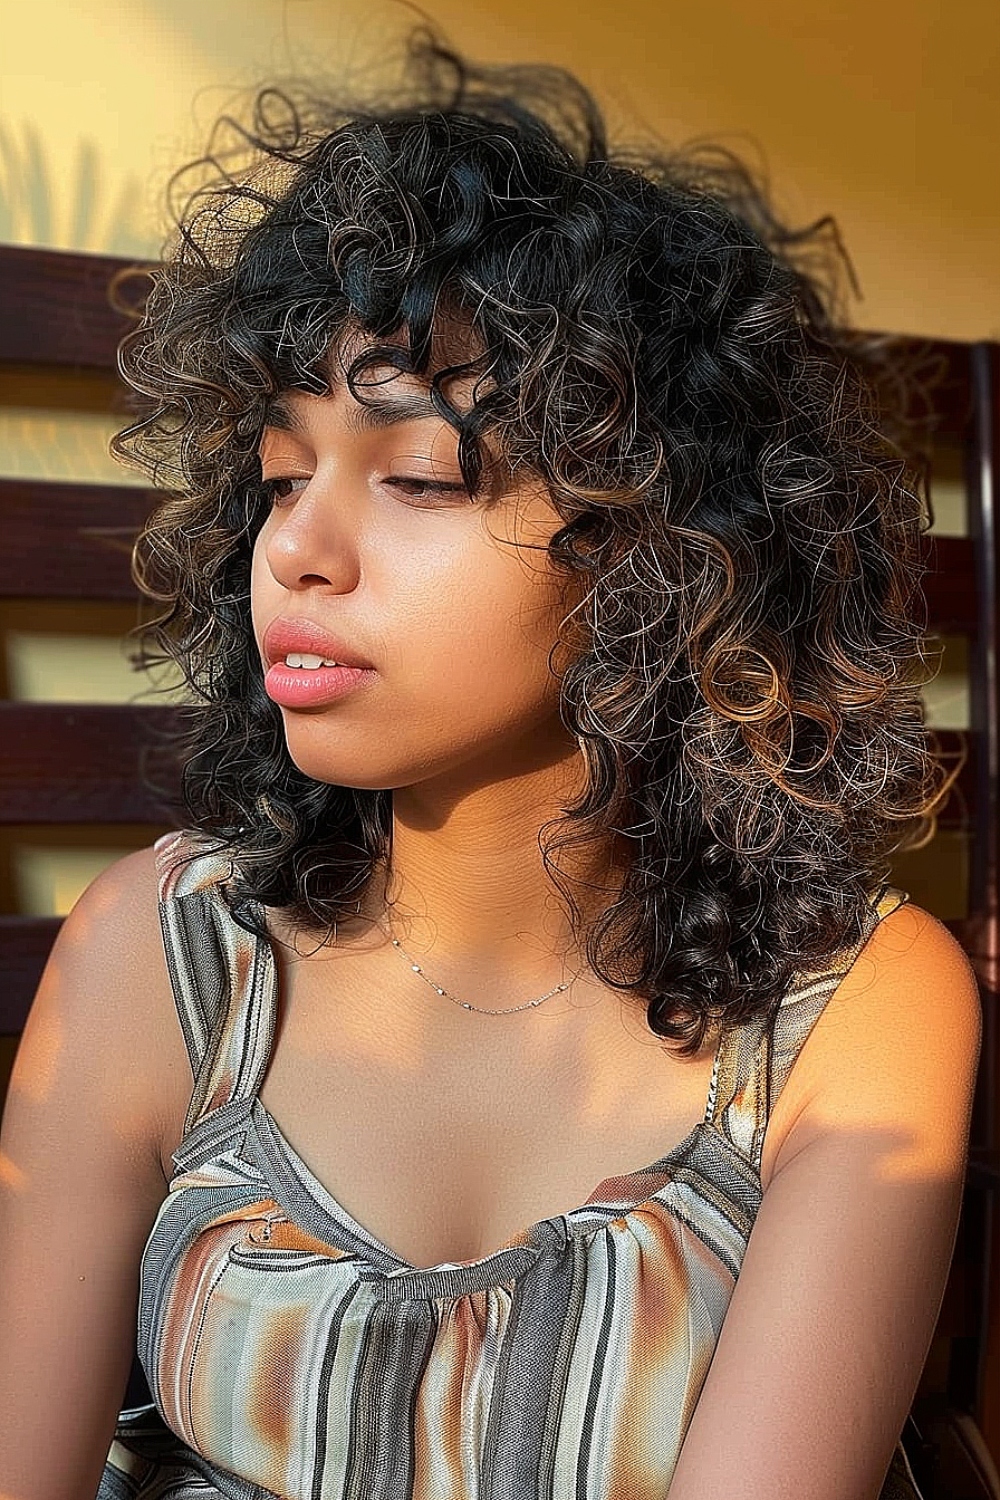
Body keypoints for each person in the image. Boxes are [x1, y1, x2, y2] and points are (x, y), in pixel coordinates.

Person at [0, 21, 982, 1500]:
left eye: (419, 477)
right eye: (275, 481)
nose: (300, 553)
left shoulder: (849, 1011)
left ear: (665, 550)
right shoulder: (161, 955)